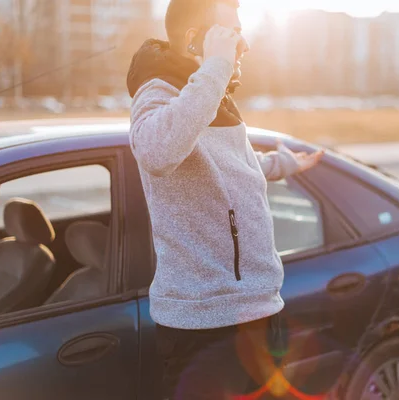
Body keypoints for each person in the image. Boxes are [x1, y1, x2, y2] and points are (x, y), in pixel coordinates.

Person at [126, 0, 324, 398]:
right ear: (195, 41)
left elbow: (235, 168)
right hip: (206, 325)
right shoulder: (159, 92)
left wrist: (284, 163)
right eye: (232, 33)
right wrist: (215, 67)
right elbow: (155, 152)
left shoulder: (207, 97)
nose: (245, 45)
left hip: (259, 310)